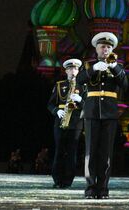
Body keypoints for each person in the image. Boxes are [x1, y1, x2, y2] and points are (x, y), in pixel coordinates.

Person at [77, 32, 128, 199]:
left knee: (106, 154)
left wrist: (114, 67)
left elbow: (125, 84)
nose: (105, 49)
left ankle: (103, 189)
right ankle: (91, 189)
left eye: (108, 47)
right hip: (92, 111)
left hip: (110, 113)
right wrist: (93, 69)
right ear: (96, 49)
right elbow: (79, 80)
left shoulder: (117, 66)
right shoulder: (88, 65)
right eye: (102, 46)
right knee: (90, 152)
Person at [47, 58, 83, 188]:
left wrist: (81, 100)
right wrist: (56, 111)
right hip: (61, 120)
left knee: (72, 151)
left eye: (75, 69)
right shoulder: (59, 85)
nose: (73, 71)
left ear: (78, 71)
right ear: (66, 70)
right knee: (59, 150)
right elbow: (50, 104)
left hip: (76, 121)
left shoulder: (82, 86)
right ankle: (57, 180)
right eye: (70, 68)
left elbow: (88, 106)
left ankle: (68, 180)